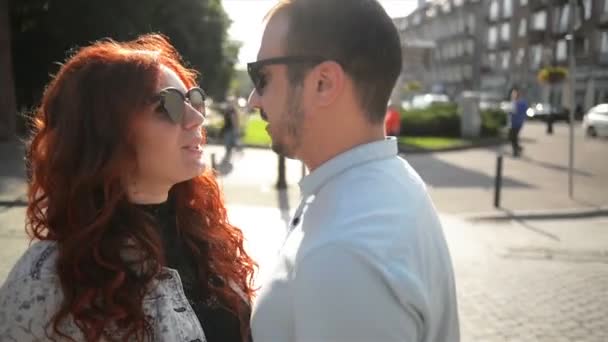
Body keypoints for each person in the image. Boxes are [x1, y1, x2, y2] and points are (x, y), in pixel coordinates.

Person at [0, 34, 256, 342]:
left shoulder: (206, 239)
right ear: (104, 132)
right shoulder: (48, 280)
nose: (197, 117)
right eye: (170, 105)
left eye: (194, 99)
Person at [246, 0, 459, 341]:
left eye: (263, 77)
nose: (253, 100)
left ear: (324, 83)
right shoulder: (388, 181)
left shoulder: (343, 252)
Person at [509, 88, 528, 157]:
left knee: (512, 137)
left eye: (513, 94)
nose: (512, 95)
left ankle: (516, 151)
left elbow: (514, 112)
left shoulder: (518, 102)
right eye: (512, 94)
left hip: (517, 123)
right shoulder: (518, 102)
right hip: (516, 122)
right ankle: (518, 149)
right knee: (513, 137)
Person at [220, 101, 240, 166]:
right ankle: (227, 157)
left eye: (231, 103)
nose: (229, 104)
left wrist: (236, 130)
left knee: (229, 144)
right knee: (228, 144)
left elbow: (235, 121)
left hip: (230, 130)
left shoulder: (232, 111)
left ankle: (227, 158)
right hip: (227, 129)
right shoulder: (228, 111)